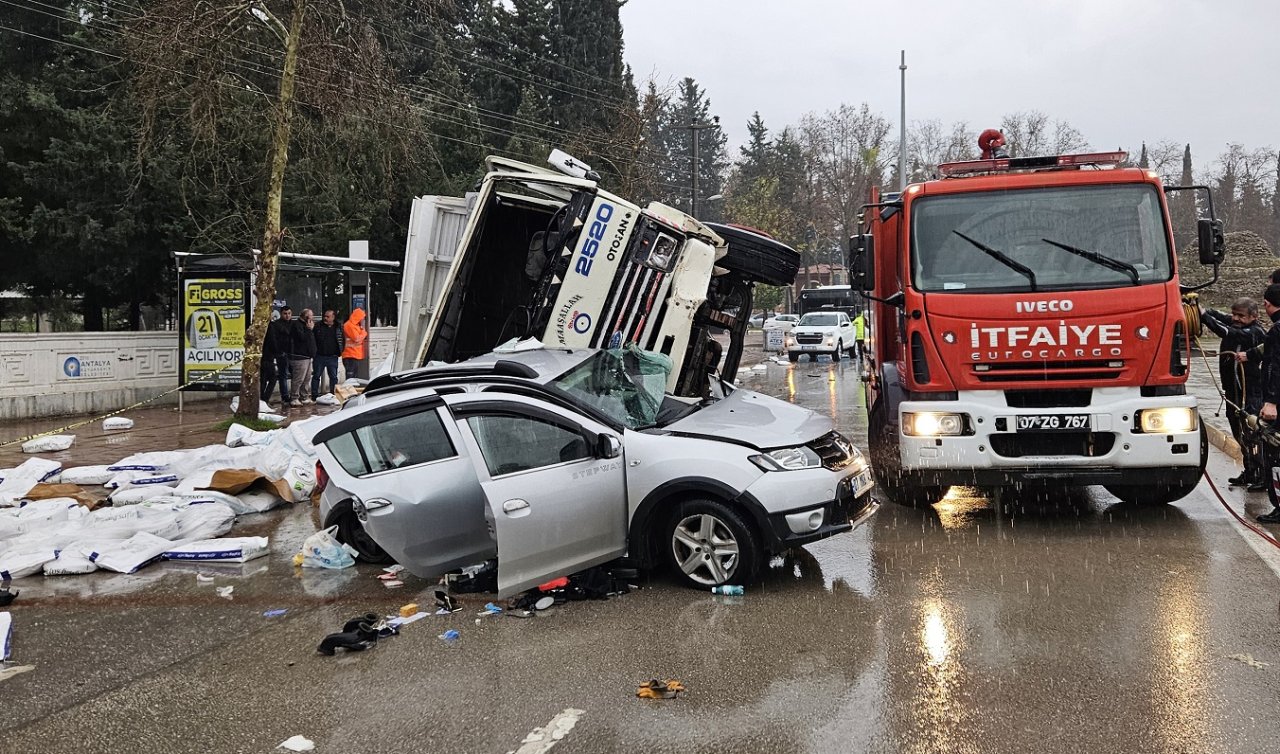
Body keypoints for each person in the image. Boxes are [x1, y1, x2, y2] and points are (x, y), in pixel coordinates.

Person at [1201, 298, 1266, 488]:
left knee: (1252, 432)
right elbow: (1222, 318)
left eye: (1241, 316)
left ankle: (1261, 474)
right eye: (1234, 314)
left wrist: (1204, 316)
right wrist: (1201, 309)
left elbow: (1225, 330)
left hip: (1250, 391)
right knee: (1237, 430)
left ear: (1254, 317)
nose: (1236, 318)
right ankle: (1250, 471)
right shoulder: (1237, 324)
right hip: (1232, 390)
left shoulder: (1253, 332)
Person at [1252, 283, 1280, 524]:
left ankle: (1279, 506)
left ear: (1267, 305)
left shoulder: (1276, 331)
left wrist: (1270, 401)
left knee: (1275, 455)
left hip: (1277, 404)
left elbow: (1273, 367)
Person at [263, 306, 294, 404]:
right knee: (282, 375)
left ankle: (294, 395)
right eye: (285, 313)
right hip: (280, 353)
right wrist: (278, 352)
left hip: (292, 352)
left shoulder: (294, 324)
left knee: (295, 375)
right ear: (281, 314)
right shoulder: (276, 325)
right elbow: (274, 340)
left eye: (289, 313)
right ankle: (285, 396)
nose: (287, 315)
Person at [288, 308, 317, 406]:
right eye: (311, 315)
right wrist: (309, 330)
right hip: (299, 356)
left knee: (307, 378)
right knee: (298, 378)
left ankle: (304, 396)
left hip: (308, 355)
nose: (312, 317)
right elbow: (302, 338)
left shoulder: (308, 325)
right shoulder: (297, 325)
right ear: (306, 316)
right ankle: (294, 397)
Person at [311, 309, 343, 398]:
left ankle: (333, 394)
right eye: (324, 316)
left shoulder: (338, 326)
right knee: (316, 376)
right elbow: (312, 339)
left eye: (327, 316)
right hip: (319, 356)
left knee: (333, 377)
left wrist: (340, 351)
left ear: (333, 317)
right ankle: (314, 395)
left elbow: (342, 339)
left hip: (333, 356)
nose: (325, 318)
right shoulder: (318, 326)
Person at [341, 308, 368, 381]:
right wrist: (364, 333)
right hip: (350, 355)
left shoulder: (356, 326)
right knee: (351, 376)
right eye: (362, 318)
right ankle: (349, 390)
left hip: (354, 354)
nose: (362, 320)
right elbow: (357, 338)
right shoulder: (349, 325)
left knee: (354, 376)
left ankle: (352, 390)